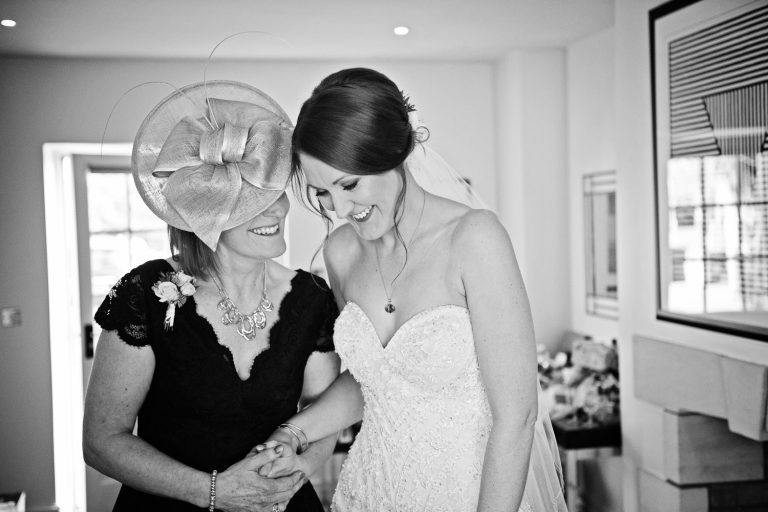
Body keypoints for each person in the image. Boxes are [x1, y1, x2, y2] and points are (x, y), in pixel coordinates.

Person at [256, 68, 567, 511]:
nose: (341, 208)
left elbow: (516, 419)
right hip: (366, 493)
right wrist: (293, 433)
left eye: (349, 184)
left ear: (393, 153)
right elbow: (374, 381)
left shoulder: (474, 239)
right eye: (322, 193)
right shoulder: (341, 251)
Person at [82, 80, 341, 512]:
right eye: (252, 200)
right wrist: (214, 492)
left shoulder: (312, 298)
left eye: (275, 193)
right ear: (206, 210)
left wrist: (297, 471)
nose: (276, 211)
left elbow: (323, 412)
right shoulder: (146, 294)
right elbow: (102, 441)